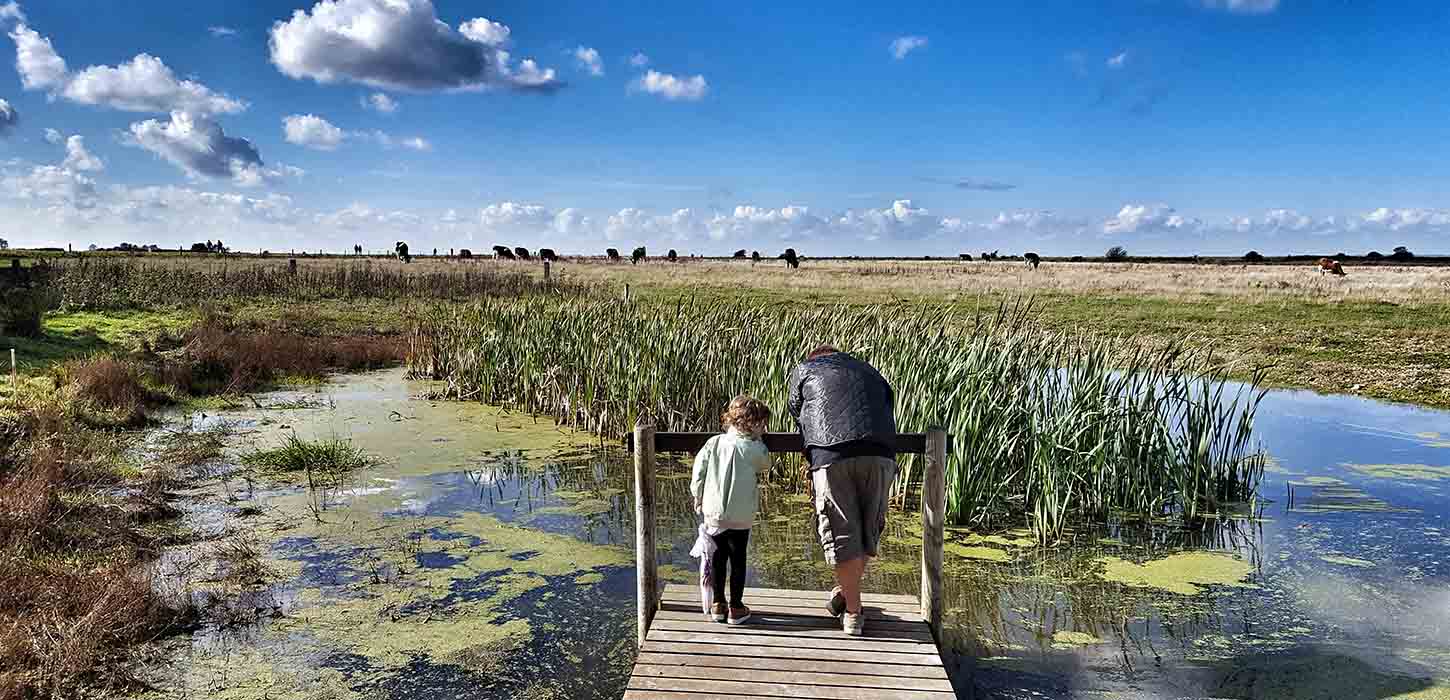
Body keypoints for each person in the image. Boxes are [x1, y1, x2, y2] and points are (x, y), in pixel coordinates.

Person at [788, 345, 896, 636]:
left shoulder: (805, 369)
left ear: (814, 357)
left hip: (831, 453)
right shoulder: (871, 371)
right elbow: (888, 404)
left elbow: (796, 409)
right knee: (869, 528)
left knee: (841, 532)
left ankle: (853, 613)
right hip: (881, 453)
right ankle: (845, 593)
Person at [690, 395, 772, 625]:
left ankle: (718, 604)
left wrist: (697, 495)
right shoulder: (753, 448)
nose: (764, 429)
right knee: (738, 559)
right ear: (753, 424)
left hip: (713, 513)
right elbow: (765, 465)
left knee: (717, 557)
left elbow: (699, 471)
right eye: (762, 424)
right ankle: (736, 607)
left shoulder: (714, 443)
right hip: (740, 516)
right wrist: (759, 440)